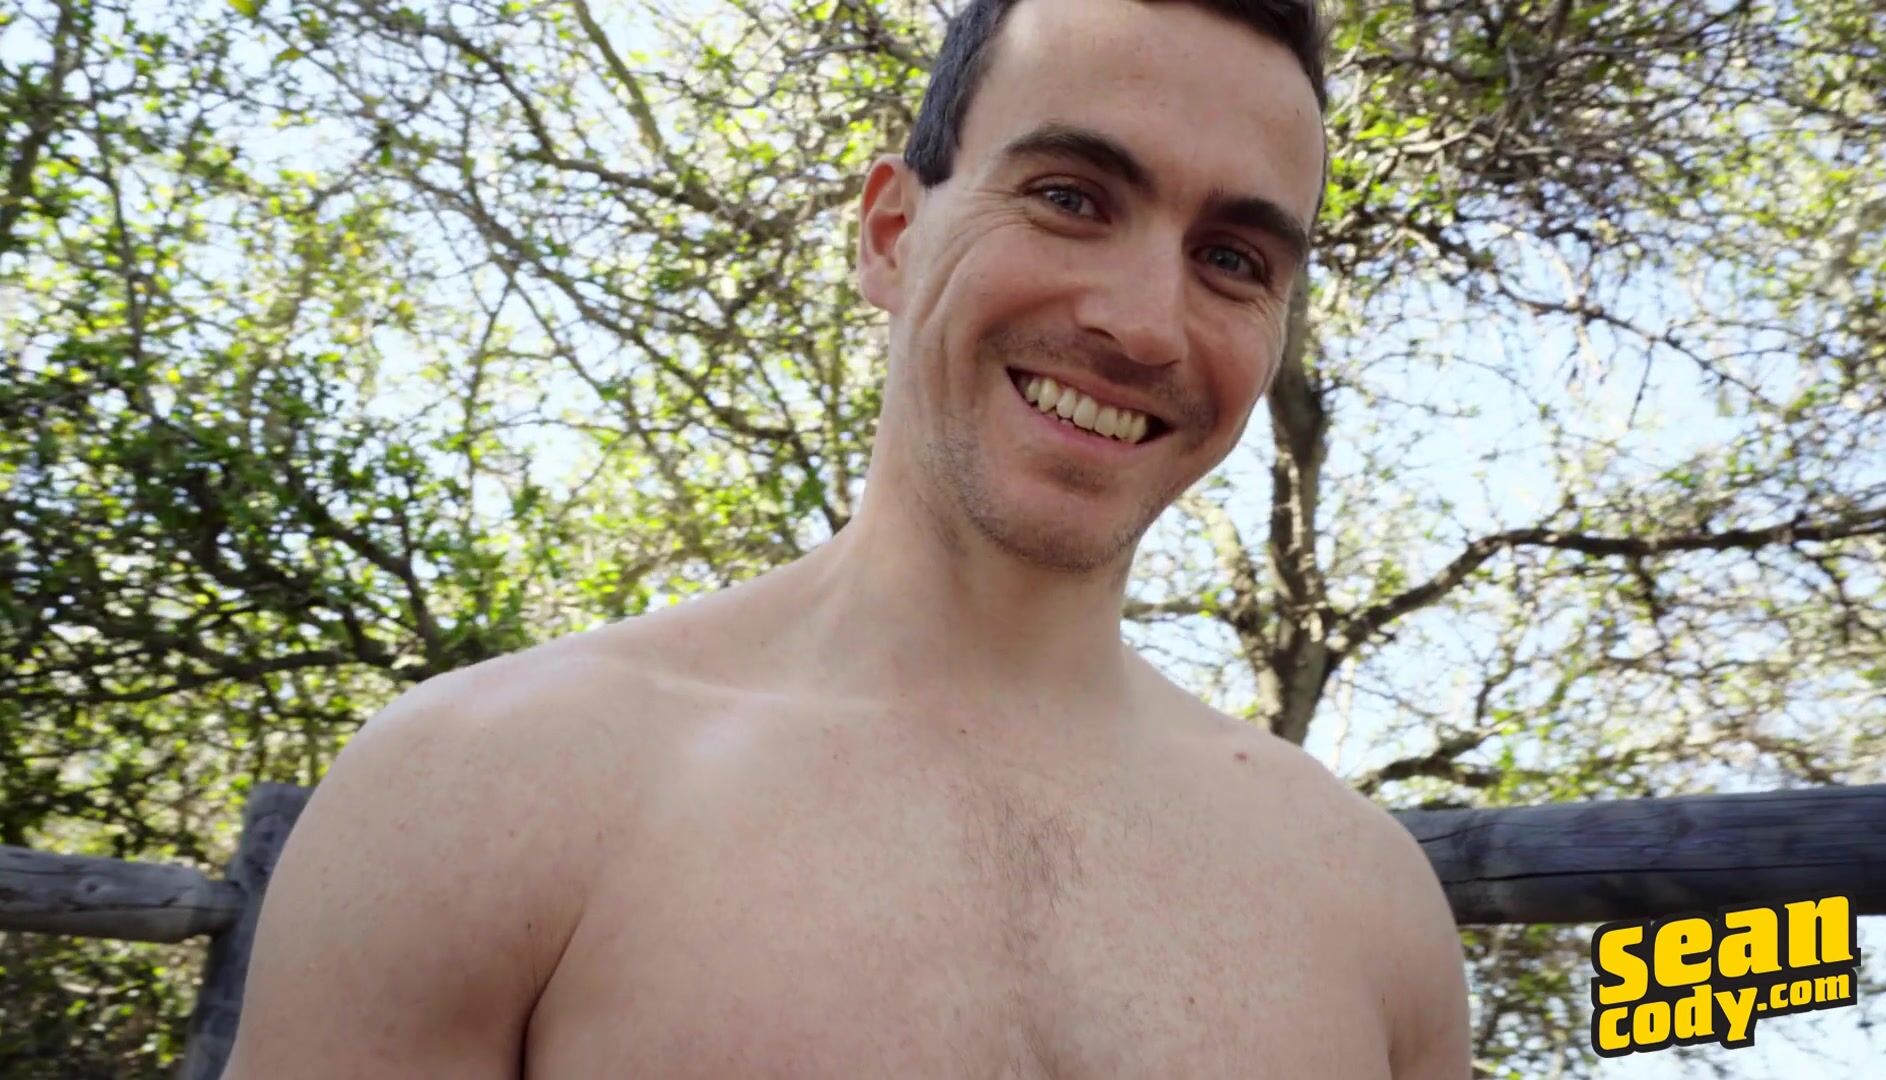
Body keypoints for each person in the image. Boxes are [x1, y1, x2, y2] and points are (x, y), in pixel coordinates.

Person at [223, 0, 1472, 1075]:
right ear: (890, 234)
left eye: (1234, 259)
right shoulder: (477, 791)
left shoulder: (1369, 910)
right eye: (1069, 197)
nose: (1145, 323)